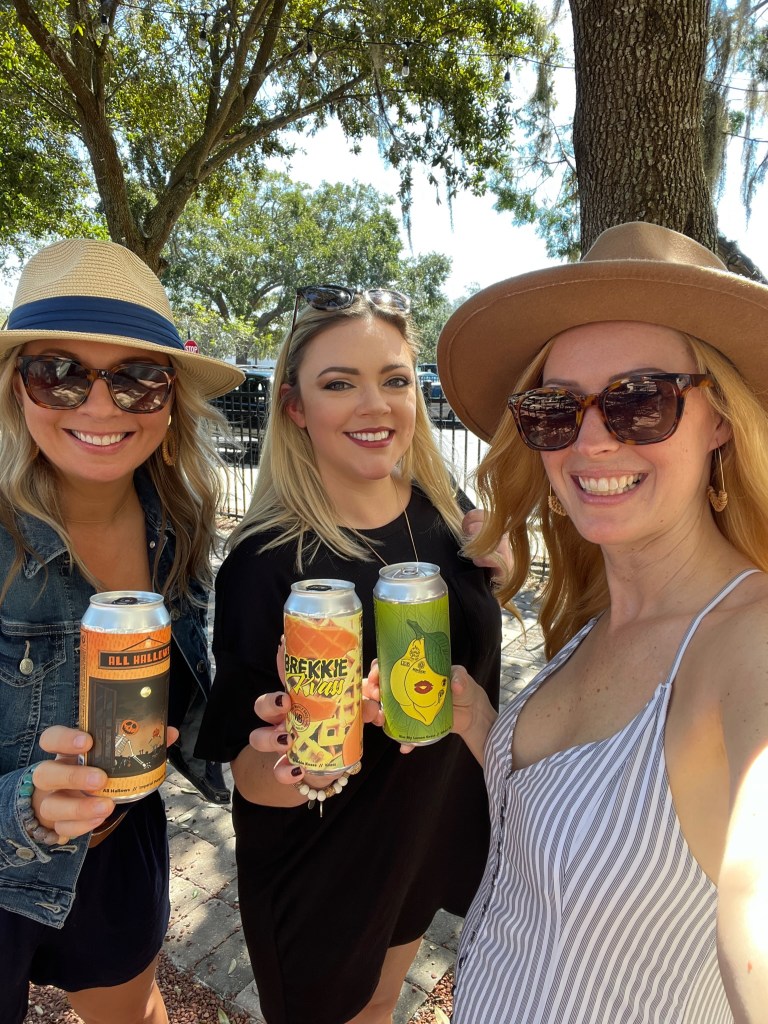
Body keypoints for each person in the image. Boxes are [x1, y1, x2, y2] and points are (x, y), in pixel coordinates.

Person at [433, 221, 768, 1022]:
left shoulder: (746, 643)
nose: (589, 439)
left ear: (719, 418)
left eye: (639, 400)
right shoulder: (599, 610)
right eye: (555, 408)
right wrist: (489, 730)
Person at [195, 284, 503, 1024]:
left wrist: (504, 568)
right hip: (325, 867)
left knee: (384, 1002)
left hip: (425, 832)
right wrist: (302, 755)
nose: (377, 405)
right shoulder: (265, 563)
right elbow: (248, 771)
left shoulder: (439, 505)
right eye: (340, 383)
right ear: (295, 407)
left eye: (394, 379)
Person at [0, 238, 243, 1024]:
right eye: (59, 373)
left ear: (170, 400)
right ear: (17, 389)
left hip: (121, 849)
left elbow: (194, 689)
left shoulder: (179, 523)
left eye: (137, 379)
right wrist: (25, 810)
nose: (99, 406)